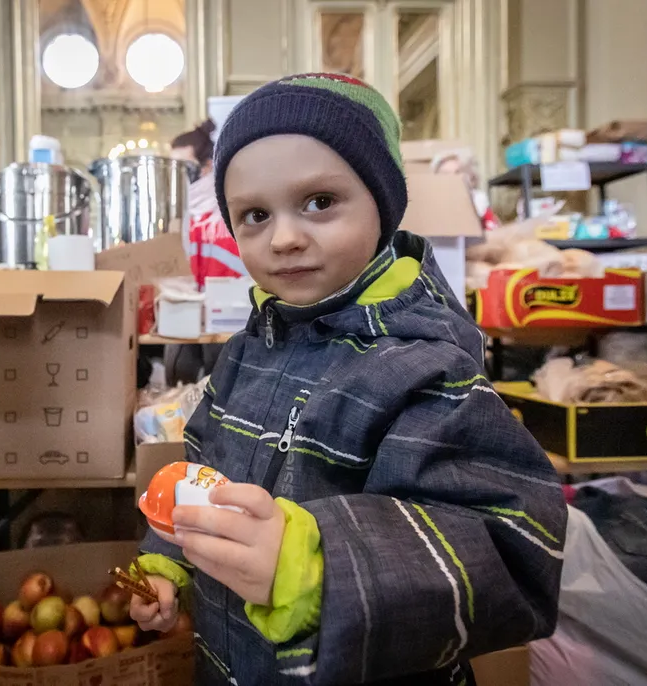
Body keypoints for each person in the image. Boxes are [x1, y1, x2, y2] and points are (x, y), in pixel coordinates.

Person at [129, 74, 566, 685]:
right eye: (254, 215)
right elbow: (203, 482)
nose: (284, 237)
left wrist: (311, 563)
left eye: (319, 202)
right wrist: (171, 557)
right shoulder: (244, 352)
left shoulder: (427, 368)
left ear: (381, 204)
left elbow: (513, 552)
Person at [163, 121, 247, 387]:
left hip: (230, 325)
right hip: (189, 320)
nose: (176, 176)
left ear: (207, 167)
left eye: (183, 168)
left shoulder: (231, 207)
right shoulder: (183, 215)